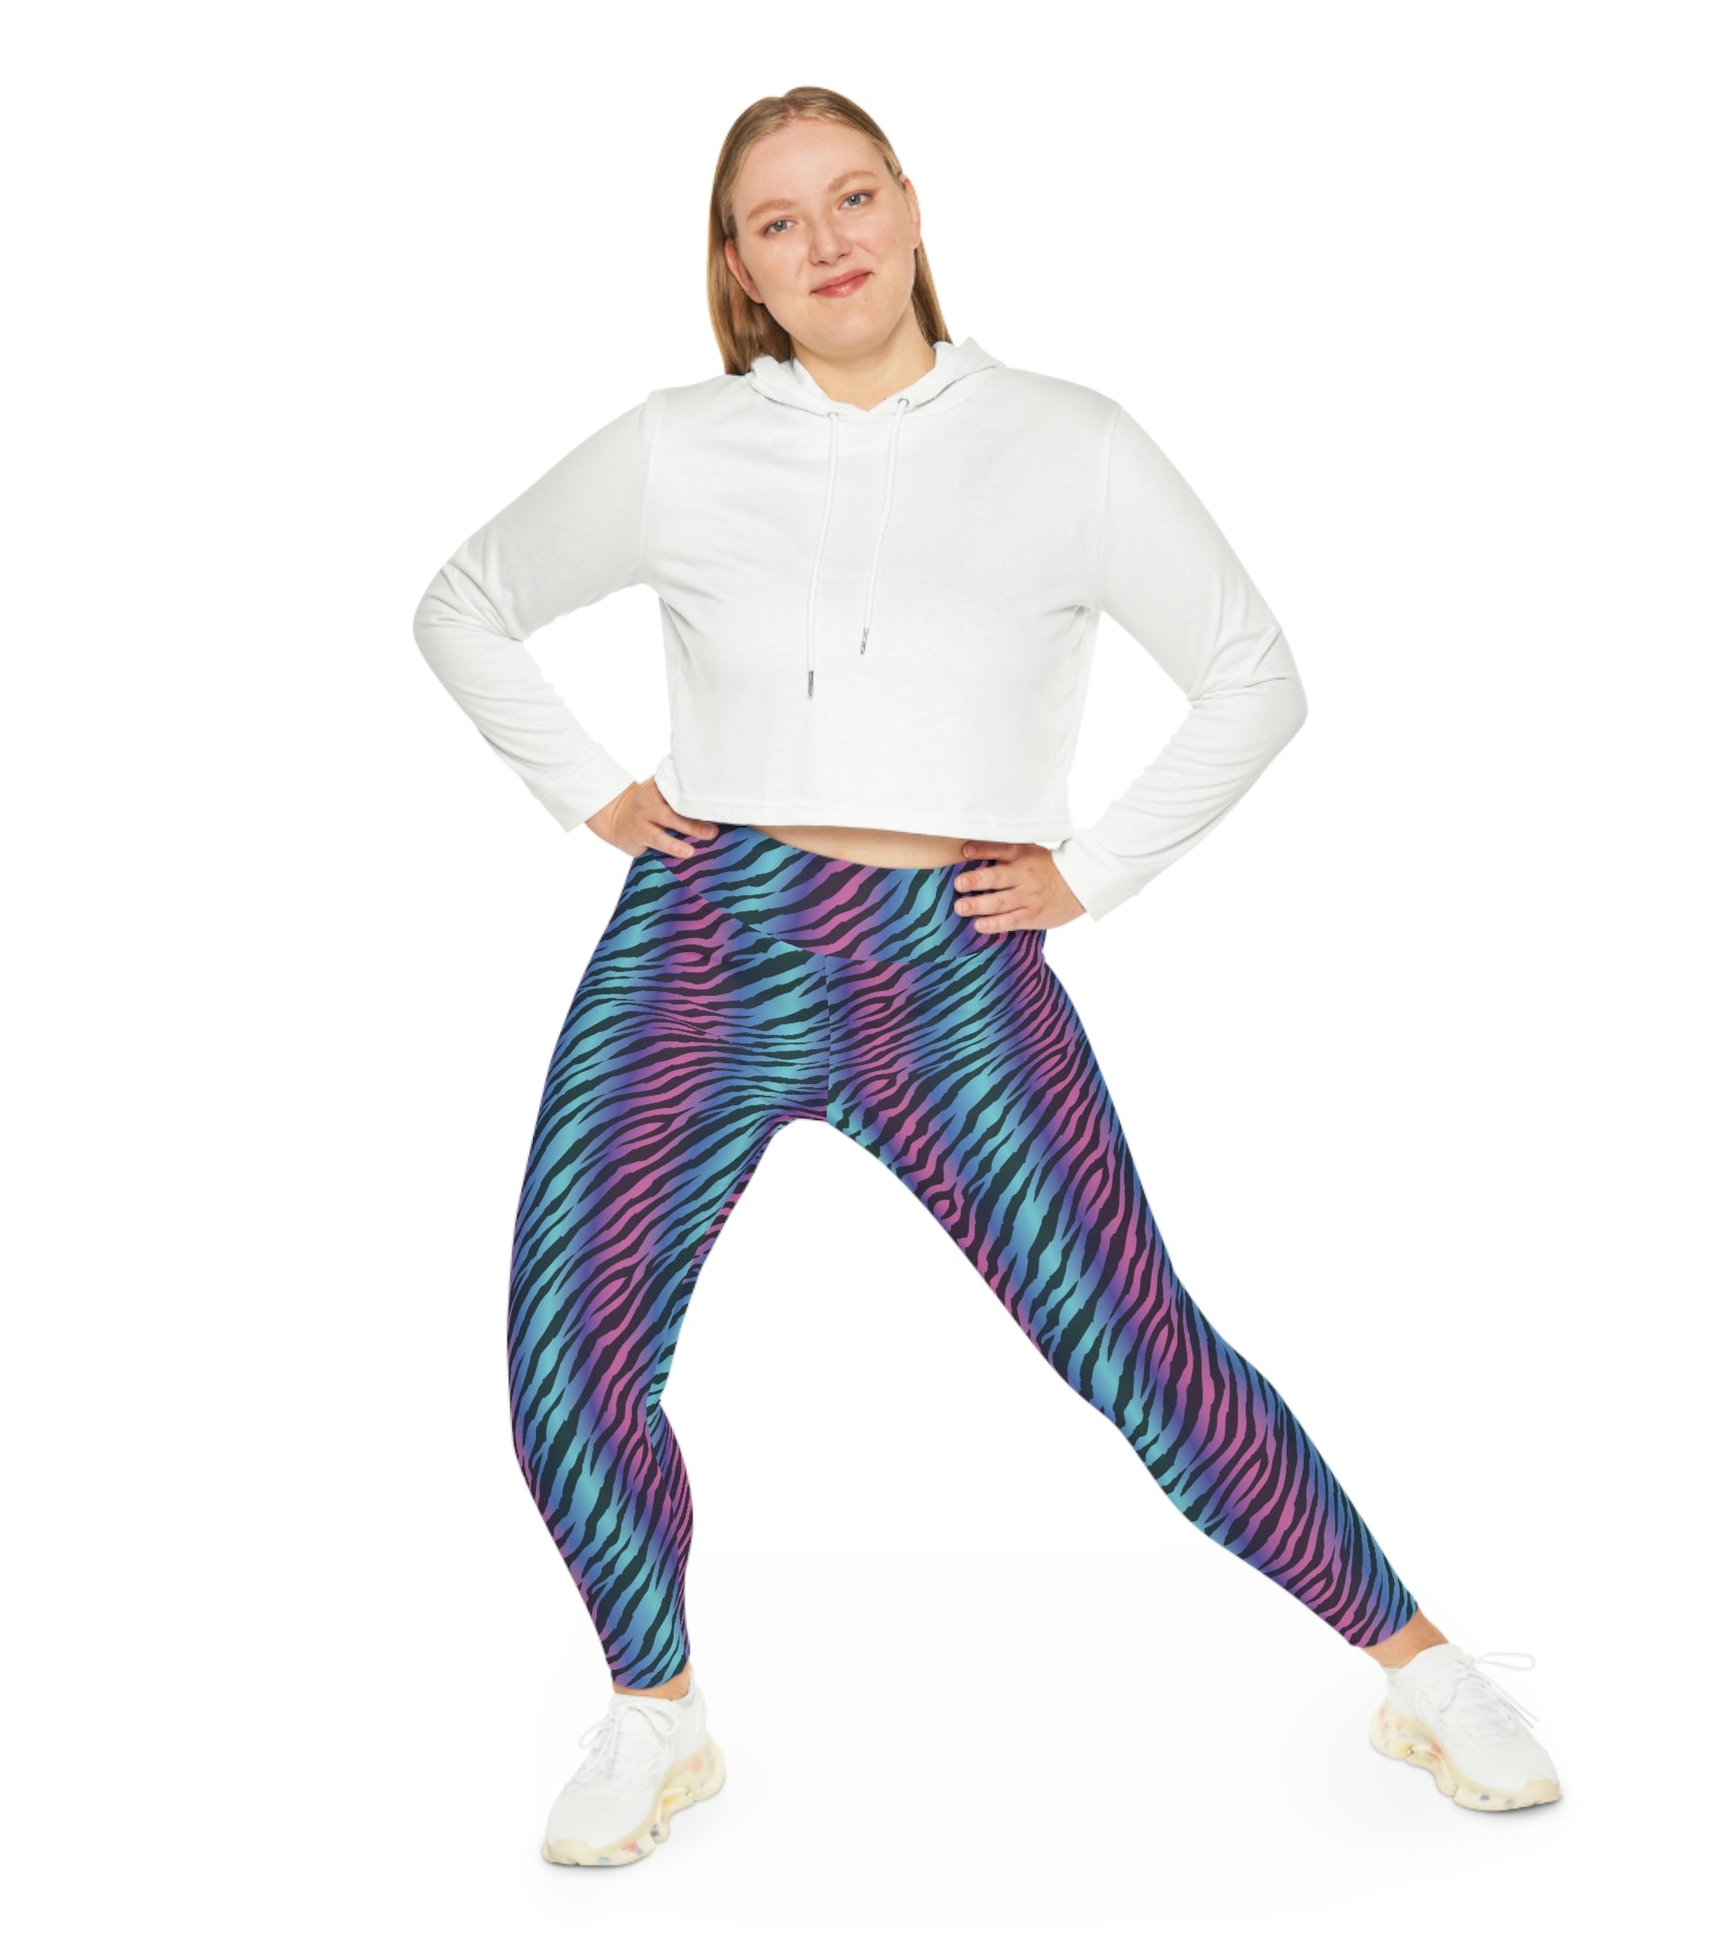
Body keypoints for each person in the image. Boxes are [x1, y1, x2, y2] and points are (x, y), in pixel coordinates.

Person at [412, 87, 1562, 1868]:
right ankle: (657, 1706)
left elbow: (1254, 674)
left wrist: (1089, 873)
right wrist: (594, 793)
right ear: (740, 268)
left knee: (1135, 1345)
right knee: (566, 1351)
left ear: (911, 208)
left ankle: (1420, 1665)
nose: (827, 241)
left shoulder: (1065, 440)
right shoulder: (678, 446)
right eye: (778, 221)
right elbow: (463, 601)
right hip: (706, 935)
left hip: (950, 959)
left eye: (852, 196)